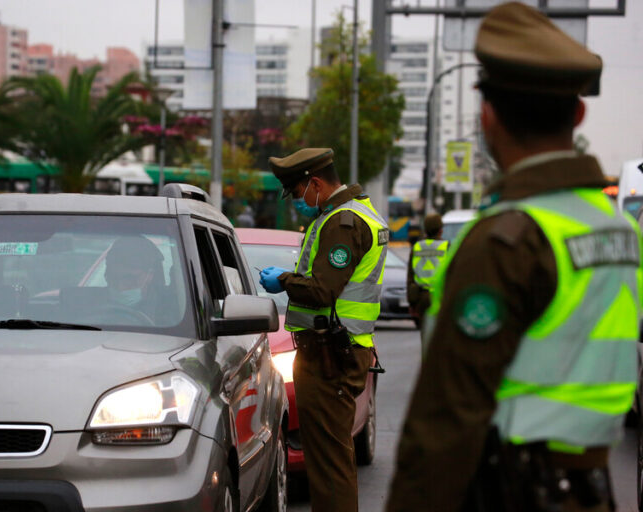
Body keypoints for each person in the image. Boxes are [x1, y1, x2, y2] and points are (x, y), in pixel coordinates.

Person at [386, 3, 642, 512]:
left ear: (487, 115)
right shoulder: (620, 227)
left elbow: (445, 421)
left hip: (513, 493)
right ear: (578, 113)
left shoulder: (507, 239)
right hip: (591, 490)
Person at [259, 147, 389, 512]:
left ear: (315, 183)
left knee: (329, 464)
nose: (299, 202)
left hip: (330, 354)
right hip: (337, 350)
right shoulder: (352, 213)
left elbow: (322, 290)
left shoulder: (342, 223)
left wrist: (283, 280)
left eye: (298, 193)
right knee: (329, 460)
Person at [99, 236, 163, 325]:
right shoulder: (89, 305)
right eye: (113, 278)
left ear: (150, 275)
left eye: (129, 279)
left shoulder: (171, 313)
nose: (120, 287)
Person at [406, 213, 447, 339]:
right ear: (441, 230)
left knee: (426, 336)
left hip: (422, 298)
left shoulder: (417, 247)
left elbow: (410, 277)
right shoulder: (447, 246)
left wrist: (412, 304)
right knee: (442, 337)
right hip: (441, 298)